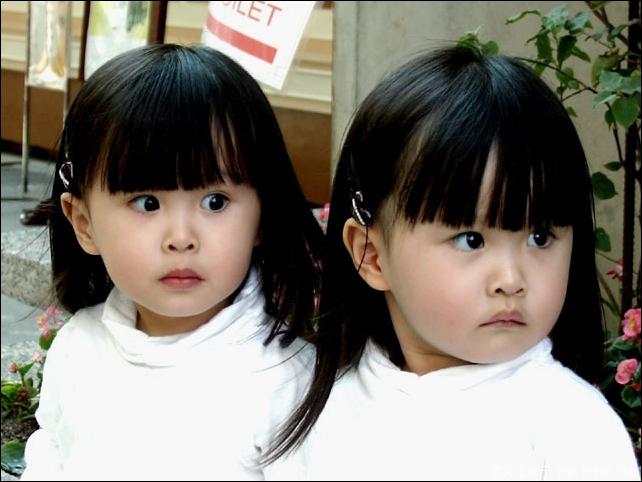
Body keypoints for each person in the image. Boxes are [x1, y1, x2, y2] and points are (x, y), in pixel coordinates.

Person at [262, 46, 640, 480]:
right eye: (471, 240)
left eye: (540, 237)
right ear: (372, 256)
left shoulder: (574, 433)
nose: (510, 280)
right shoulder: (323, 411)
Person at [21, 43, 323, 480]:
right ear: (84, 224)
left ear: (262, 216)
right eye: (147, 203)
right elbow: (52, 452)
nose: (181, 238)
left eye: (215, 201)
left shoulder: (284, 379)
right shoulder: (79, 346)